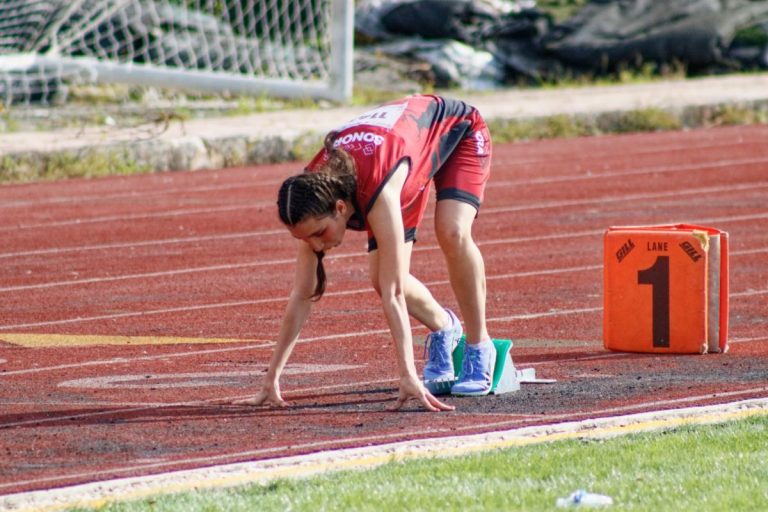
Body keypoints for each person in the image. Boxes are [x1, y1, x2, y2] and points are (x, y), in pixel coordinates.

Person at [238, 94, 496, 412]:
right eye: (307, 240)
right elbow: (302, 293)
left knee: (452, 232)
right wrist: (271, 379)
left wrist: (407, 375)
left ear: (341, 208)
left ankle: (479, 345)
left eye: (319, 234)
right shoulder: (308, 196)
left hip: (456, 132)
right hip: (399, 160)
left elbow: (394, 295)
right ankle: (445, 328)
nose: (317, 246)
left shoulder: (376, 189)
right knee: (381, 275)